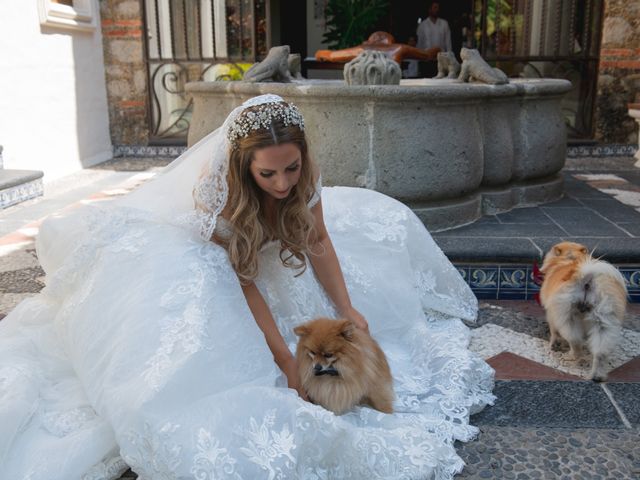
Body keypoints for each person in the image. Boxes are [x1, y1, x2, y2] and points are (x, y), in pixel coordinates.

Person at [0, 94, 494, 479]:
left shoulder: (301, 182)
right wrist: (284, 359)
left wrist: (346, 306)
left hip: (262, 258)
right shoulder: (218, 202)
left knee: (380, 232)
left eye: (292, 168)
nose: (283, 183)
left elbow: (318, 237)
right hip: (212, 265)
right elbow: (246, 283)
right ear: (244, 168)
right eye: (268, 173)